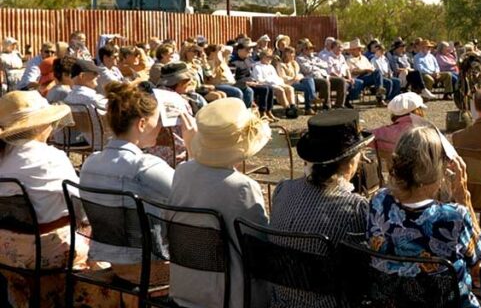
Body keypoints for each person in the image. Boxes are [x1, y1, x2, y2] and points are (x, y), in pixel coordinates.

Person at [0, 91, 119, 307]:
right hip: (47, 249)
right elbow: (80, 207)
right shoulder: (50, 158)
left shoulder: (4, 155)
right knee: (101, 245)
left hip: (5, 251)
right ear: (38, 126)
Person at [79, 82, 191, 287]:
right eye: (158, 121)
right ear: (142, 124)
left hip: (113, 260)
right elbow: (193, 199)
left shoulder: (90, 162)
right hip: (149, 266)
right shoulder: (145, 167)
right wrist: (193, 148)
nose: (161, 127)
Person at [367, 126, 481, 308]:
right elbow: (478, 266)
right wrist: (464, 199)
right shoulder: (454, 216)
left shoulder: (378, 201)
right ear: (437, 169)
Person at [167, 97, 271, 308]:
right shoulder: (242, 187)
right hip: (229, 294)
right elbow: (259, 247)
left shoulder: (183, 172)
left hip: (186, 285)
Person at [270, 109, 373, 306]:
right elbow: (363, 274)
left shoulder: (283, 190)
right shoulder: (356, 208)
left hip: (279, 301)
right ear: (352, 161)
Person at [371, 92, 427, 171]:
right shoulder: (426, 132)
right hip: (423, 176)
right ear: (418, 111)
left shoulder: (382, 133)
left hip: (394, 176)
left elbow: (362, 137)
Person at [64, 59, 110, 147]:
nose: (98, 76)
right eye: (95, 73)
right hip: (106, 142)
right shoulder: (92, 99)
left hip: (91, 141)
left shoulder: (68, 98)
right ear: (82, 76)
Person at [231, 38, 275, 119]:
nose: (251, 51)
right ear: (240, 50)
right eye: (248, 49)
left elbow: (250, 75)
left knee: (270, 88)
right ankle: (262, 113)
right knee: (264, 89)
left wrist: (255, 81)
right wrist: (248, 83)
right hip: (242, 85)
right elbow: (233, 80)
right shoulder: (233, 62)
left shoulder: (248, 60)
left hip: (251, 82)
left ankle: (269, 111)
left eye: (251, 49)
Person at [297, 39, 347, 110]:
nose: (310, 50)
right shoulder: (300, 58)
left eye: (311, 48)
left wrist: (314, 64)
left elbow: (325, 65)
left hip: (323, 76)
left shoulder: (315, 57)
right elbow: (307, 69)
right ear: (303, 50)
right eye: (308, 48)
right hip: (312, 79)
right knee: (325, 82)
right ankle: (326, 105)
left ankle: (339, 105)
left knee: (341, 81)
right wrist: (318, 66)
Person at [252, 48, 299, 119]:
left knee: (290, 88)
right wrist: (271, 82)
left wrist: (280, 82)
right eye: (268, 57)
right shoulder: (257, 67)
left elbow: (276, 77)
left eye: (271, 57)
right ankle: (287, 109)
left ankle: (292, 106)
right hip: (267, 85)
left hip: (276, 83)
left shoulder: (271, 67)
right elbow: (259, 80)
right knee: (281, 90)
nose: (270, 59)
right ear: (263, 57)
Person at [347, 39, 394, 107]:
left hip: (370, 76)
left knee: (388, 82)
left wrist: (369, 70)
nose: (359, 50)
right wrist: (365, 70)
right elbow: (353, 72)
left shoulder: (364, 58)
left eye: (359, 49)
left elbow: (372, 68)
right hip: (359, 77)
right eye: (356, 49)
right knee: (377, 73)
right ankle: (380, 96)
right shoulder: (349, 60)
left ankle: (383, 99)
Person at [277, 46, 317, 116]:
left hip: (297, 80)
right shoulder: (280, 64)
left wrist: (298, 77)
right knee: (306, 88)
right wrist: (293, 79)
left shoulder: (294, 63)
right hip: (288, 83)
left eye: (294, 53)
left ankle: (313, 97)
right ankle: (309, 107)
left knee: (309, 79)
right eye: (291, 53)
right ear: (286, 54)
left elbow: (299, 74)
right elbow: (282, 77)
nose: (293, 55)